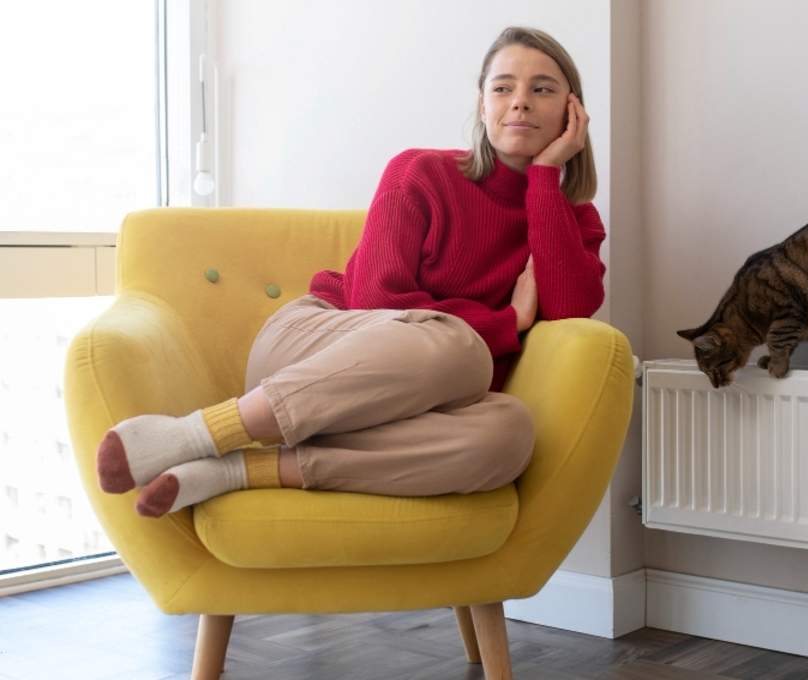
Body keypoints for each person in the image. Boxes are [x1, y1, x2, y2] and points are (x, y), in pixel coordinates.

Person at [95, 27, 606, 518]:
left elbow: (569, 309)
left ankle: (240, 470)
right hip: (313, 345)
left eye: (542, 89)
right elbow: (377, 299)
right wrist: (504, 324)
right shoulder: (422, 172)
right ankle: (198, 434)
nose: (520, 101)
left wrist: (546, 177)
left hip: (403, 407)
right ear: (483, 105)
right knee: (464, 349)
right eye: (503, 88)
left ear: (571, 111)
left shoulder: (569, 219)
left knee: (510, 432)